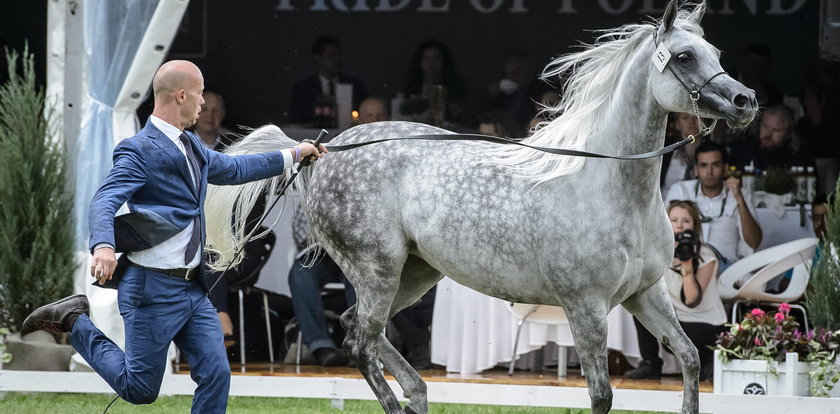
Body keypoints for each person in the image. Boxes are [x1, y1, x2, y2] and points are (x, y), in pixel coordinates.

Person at [20, 60, 325, 413]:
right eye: (199, 95)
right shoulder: (139, 149)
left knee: (216, 374)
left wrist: (295, 154)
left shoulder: (192, 146)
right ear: (181, 95)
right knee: (140, 389)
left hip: (192, 290)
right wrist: (103, 244)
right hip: (151, 289)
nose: (202, 104)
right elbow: (105, 198)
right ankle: (74, 320)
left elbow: (236, 169)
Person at [625, 200, 726, 381]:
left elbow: (692, 299)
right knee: (640, 308)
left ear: (695, 226)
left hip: (707, 325)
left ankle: (707, 363)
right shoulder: (659, 253)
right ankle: (650, 364)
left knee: (684, 334)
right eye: (674, 220)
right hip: (679, 323)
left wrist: (687, 263)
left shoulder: (706, 256)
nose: (679, 225)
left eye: (686, 221)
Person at [665, 141, 762, 267]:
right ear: (696, 169)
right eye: (703, 165)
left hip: (726, 269)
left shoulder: (739, 194)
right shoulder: (680, 190)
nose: (709, 171)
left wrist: (739, 199)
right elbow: (662, 234)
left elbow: (754, 242)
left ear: (725, 168)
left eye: (715, 165)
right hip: (686, 264)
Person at [287, 206, 355, 366]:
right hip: (322, 255)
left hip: (354, 257)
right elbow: (300, 231)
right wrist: (312, 238)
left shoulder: (365, 190)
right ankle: (320, 346)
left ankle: (358, 345)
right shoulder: (316, 189)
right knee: (300, 273)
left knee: (359, 278)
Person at [287, 36, 368, 125]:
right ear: (317, 58)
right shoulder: (303, 89)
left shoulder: (356, 86)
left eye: (339, 55)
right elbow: (296, 122)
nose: (338, 60)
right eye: (331, 56)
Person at [729, 104, 815, 172]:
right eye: (765, 126)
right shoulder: (744, 151)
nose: (768, 134)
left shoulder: (801, 158)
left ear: (789, 133)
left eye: (776, 130)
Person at [403, 39, 467, 124]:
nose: (431, 63)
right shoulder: (413, 85)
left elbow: (458, 114)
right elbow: (405, 114)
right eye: (426, 58)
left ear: (444, 61)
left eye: (435, 58)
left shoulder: (455, 86)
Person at [660, 113, 702, 195]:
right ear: (677, 124)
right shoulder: (665, 149)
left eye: (696, 117)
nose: (691, 122)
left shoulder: (714, 151)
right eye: (685, 118)